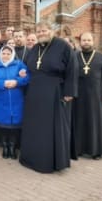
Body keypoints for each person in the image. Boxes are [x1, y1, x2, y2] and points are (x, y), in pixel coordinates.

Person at [19, 20, 78, 173]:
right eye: (38, 31)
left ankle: (50, 161)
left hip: (54, 91)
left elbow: (72, 69)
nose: (41, 33)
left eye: (44, 30)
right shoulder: (35, 48)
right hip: (34, 93)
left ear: (51, 31)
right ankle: (32, 158)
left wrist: (69, 92)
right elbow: (29, 66)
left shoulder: (63, 46)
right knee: (35, 126)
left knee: (51, 127)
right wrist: (24, 72)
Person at [72, 32, 102, 160]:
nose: (86, 42)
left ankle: (96, 151)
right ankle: (78, 149)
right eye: (84, 40)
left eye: (89, 40)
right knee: (78, 121)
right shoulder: (74, 56)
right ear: (80, 42)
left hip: (96, 95)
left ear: (93, 41)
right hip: (77, 95)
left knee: (95, 122)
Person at [0, 46, 29, 159]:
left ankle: (12, 147)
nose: (6, 56)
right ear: (1, 54)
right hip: (2, 100)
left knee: (14, 126)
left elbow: (27, 78)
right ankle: (5, 147)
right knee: (3, 126)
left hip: (16, 100)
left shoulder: (19, 65)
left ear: (12, 54)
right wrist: (3, 83)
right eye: (4, 53)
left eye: (8, 53)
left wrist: (16, 82)